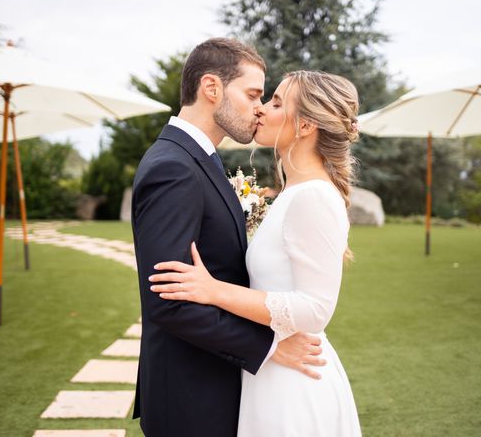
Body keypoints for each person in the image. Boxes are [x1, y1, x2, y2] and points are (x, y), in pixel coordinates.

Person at [149, 70, 363, 436]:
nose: (261, 110)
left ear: (307, 124)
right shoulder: (290, 193)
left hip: (295, 384)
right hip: (270, 374)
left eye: (277, 103)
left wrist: (215, 290)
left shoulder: (313, 196)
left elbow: (316, 309)